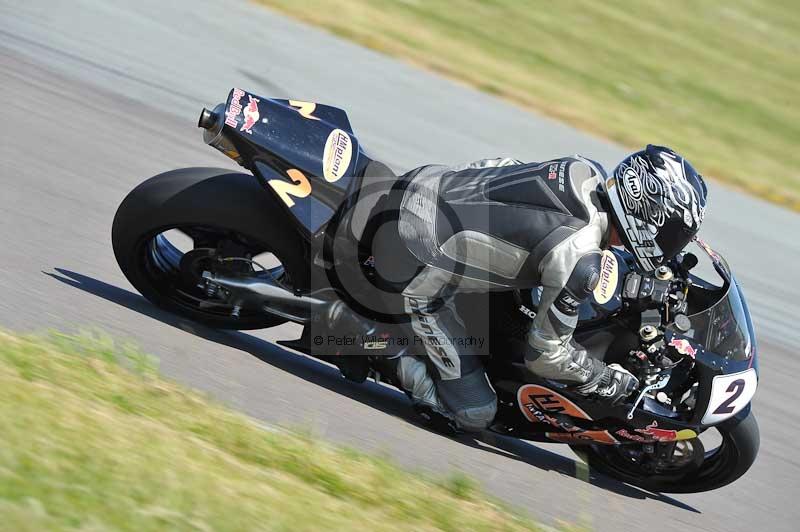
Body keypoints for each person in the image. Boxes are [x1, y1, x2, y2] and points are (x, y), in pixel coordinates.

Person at [333, 145, 708, 433]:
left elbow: (500, 165)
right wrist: (608, 381)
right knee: (474, 413)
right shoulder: (579, 256)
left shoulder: (583, 170)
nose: (673, 243)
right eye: (673, 232)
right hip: (411, 262)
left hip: (428, 182)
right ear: (647, 214)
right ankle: (360, 332)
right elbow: (545, 356)